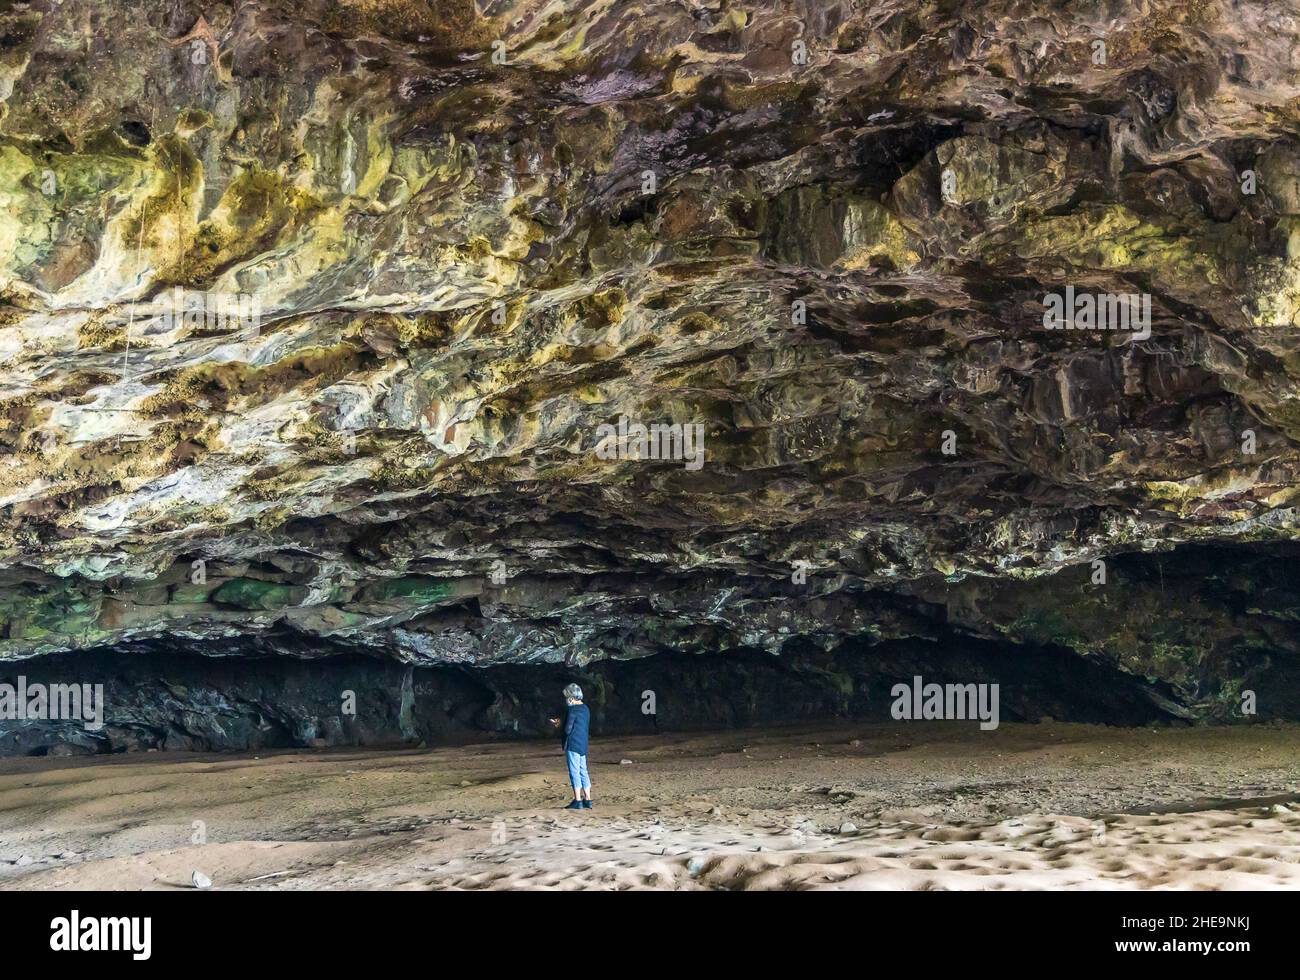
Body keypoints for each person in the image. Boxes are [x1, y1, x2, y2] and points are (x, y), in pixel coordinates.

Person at [549, 683, 592, 810]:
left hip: (573, 744)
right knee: (583, 771)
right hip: (583, 744)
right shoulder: (586, 708)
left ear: (571, 697)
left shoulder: (572, 710)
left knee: (574, 772)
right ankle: (588, 800)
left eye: (566, 697)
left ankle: (578, 800)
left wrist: (557, 725)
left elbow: (568, 729)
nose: (566, 700)